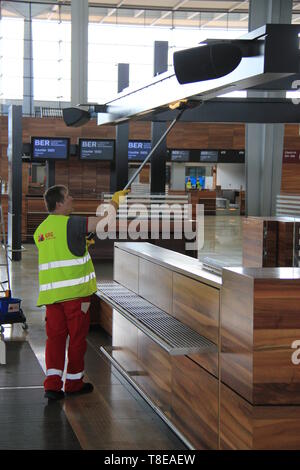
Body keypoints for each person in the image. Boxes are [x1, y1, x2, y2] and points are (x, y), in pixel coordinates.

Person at [34, 185, 129, 401]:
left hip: (52, 299)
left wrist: (80, 244)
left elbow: (60, 252)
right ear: (59, 203)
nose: (72, 199)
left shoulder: (40, 231)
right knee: (77, 340)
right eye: (68, 197)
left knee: (55, 341)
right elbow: (103, 221)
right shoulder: (72, 223)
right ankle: (74, 383)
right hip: (76, 297)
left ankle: (52, 385)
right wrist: (115, 202)